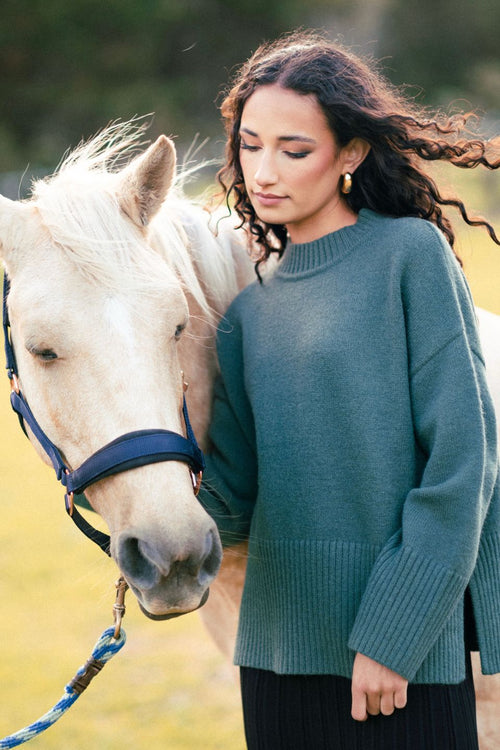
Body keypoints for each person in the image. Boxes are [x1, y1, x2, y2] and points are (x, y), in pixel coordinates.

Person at [198, 30, 500, 749]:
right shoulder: (247, 315)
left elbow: (463, 463)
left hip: (401, 658)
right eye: (250, 145)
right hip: (274, 659)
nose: (264, 171)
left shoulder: (409, 258)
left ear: (351, 153)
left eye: (293, 149)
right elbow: (235, 499)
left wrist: (394, 636)